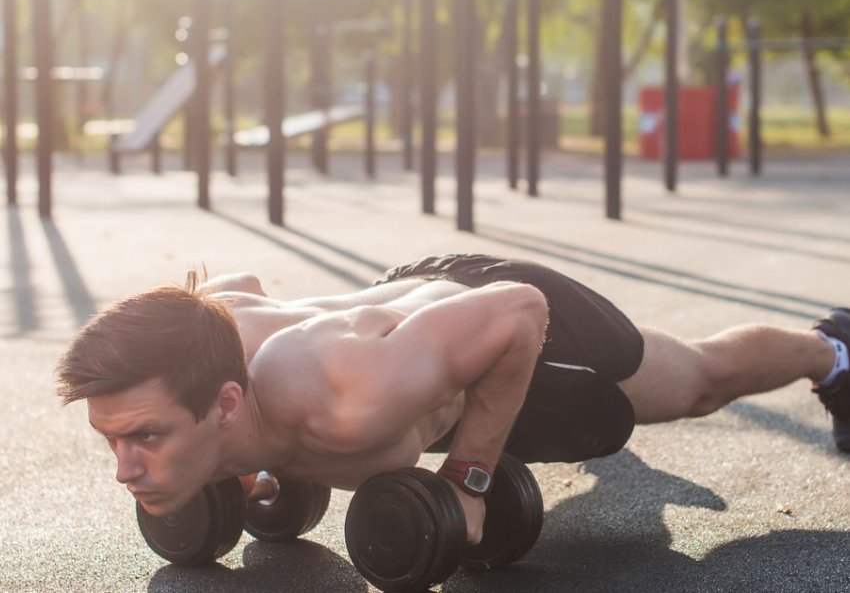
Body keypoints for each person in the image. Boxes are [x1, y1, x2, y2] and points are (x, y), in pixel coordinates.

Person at [56, 254, 850, 545]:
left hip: (489, 314)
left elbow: (517, 314)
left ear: (226, 402)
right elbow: (238, 288)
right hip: (404, 334)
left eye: (148, 438)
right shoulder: (198, 352)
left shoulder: (346, 399)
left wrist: (469, 477)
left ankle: (834, 349)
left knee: (694, 384)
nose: (125, 469)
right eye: (114, 440)